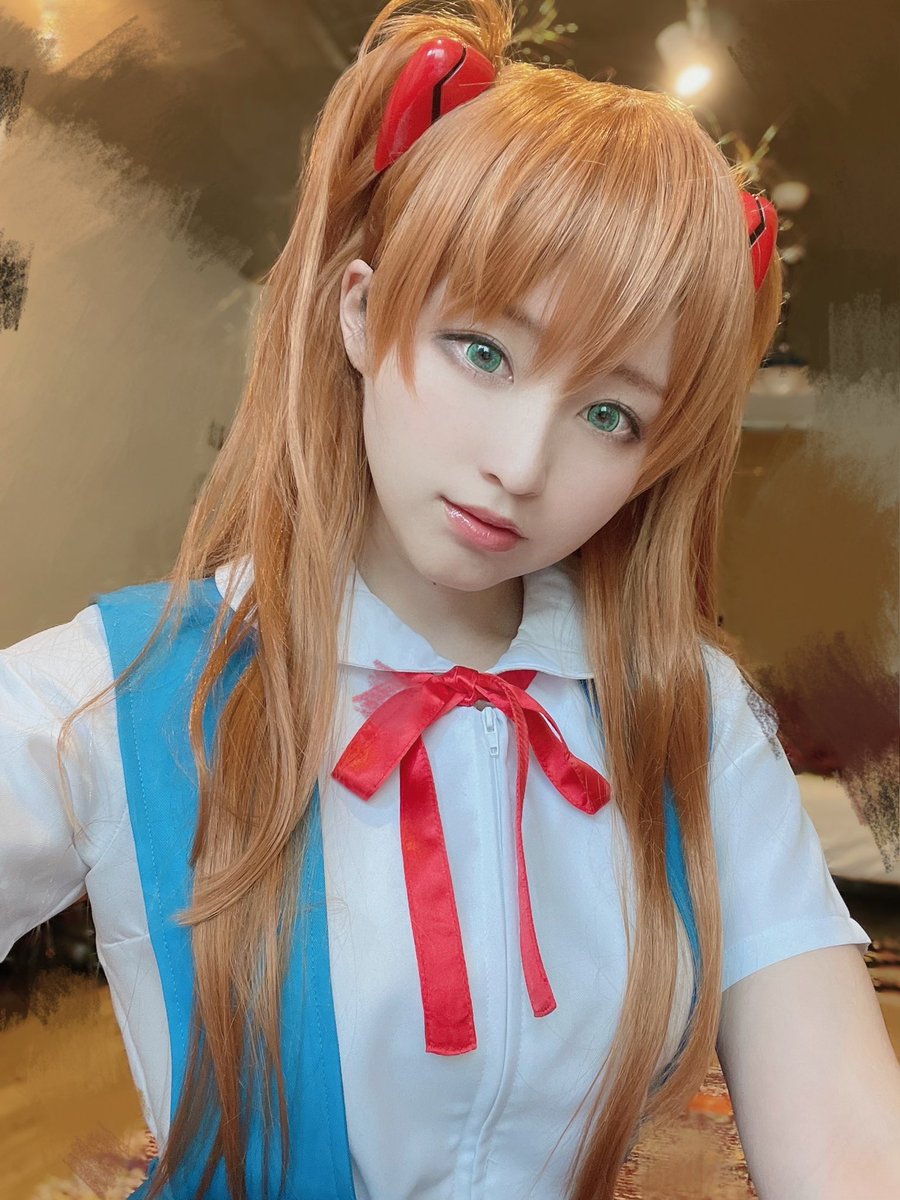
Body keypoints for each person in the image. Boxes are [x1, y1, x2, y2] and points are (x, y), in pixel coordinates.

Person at [2, 1, 899, 1197]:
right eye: (484, 351)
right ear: (362, 311)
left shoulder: (694, 718)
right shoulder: (122, 691)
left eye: (610, 414)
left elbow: (848, 1141)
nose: (521, 466)